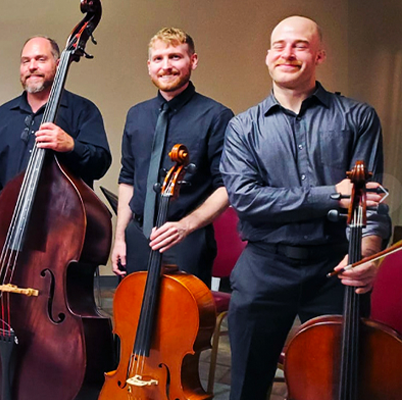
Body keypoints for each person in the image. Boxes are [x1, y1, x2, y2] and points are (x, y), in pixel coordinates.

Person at [220, 16, 390, 399]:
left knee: (337, 384)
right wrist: (330, 195)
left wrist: (367, 254)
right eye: (279, 45)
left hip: (335, 267)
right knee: (247, 385)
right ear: (267, 56)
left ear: (319, 55)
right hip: (264, 268)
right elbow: (247, 200)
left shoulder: (357, 117)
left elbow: (368, 201)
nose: (288, 53)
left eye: (299, 45)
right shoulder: (242, 128)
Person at [111, 28, 233, 284]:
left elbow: (226, 187)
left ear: (193, 61)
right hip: (138, 235)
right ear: (149, 66)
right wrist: (120, 237)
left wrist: (186, 226)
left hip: (186, 238)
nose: (166, 66)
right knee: (132, 318)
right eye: (158, 59)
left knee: (183, 321)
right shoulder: (136, 115)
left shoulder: (216, 116)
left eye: (175, 57)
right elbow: (128, 179)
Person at [0, 36, 111, 235]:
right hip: (13, 230)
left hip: (66, 232)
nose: (32, 66)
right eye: (26, 61)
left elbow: (100, 164)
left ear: (59, 64)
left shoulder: (83, 111)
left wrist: (71, 146)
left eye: (40, 59)